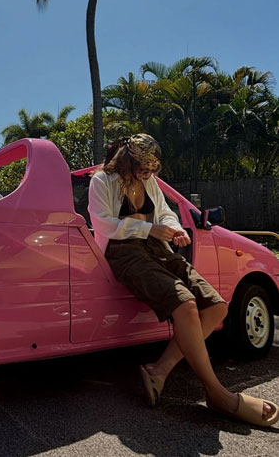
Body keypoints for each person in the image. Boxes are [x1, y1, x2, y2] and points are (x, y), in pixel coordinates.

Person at [88, 134, 278, 427]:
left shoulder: (149, 182)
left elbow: (165, 212)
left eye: (152, 168)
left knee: (217, 307)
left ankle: (159, 370)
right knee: (186, 304)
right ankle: (217, 393)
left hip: (158, 250)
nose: (148, 173)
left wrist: (175, 229)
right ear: (127, 159)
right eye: (142, 167)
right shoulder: (102, 180)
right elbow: (103, 223)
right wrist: (149, 229)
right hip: (123, 253)